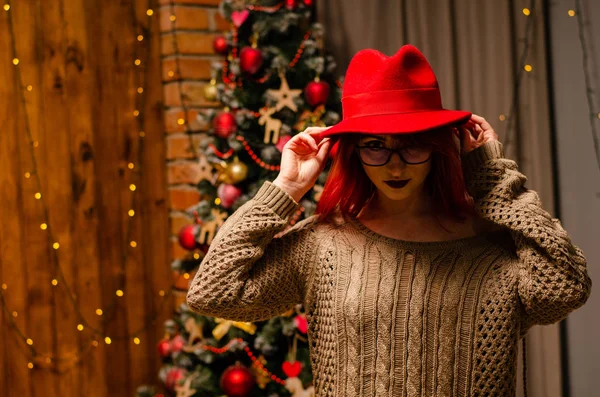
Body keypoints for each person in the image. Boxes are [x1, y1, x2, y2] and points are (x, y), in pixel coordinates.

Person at [186, 45, 592, 396]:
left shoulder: (492, 243)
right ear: (353, 153)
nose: (394, 164)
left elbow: (565, 288)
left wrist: (494, 177)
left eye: (412, 145)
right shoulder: (325, 244)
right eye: (375, 146)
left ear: (438, 149)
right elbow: (214, 291)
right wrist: (287, 188)